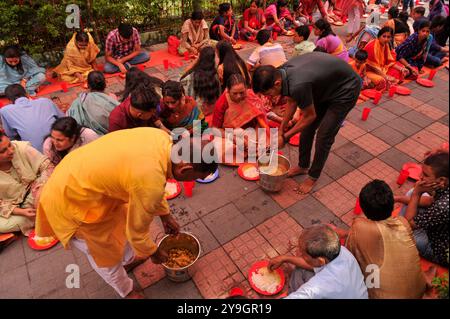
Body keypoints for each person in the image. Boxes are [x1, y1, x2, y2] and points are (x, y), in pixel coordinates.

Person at [35, 128, 218, 298]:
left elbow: (153, 185)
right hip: (70, 202)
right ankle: (126, 291)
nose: (193, 181)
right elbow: (137, 233)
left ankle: (127, 259)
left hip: (84, 181)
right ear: (185, 169)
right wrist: (153, 252)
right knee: (104, 255)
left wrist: (165, 215)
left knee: (120, 225)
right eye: (195, 178)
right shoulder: (149, 179)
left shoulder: (161, 138)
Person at [252, 53, 361, 194]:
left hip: (346, 89)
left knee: (324, 136)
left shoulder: (298, 84)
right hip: (325, 88)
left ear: (277, 83)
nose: (269, 97)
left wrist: (285, 137)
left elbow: (309, 116)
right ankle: (303, 166)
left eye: (268, 93)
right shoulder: (282, 72)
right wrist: (281, 130)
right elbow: (292, 100)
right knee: (307, 130)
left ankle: (313, 176)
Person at [332, 180, 427, 299]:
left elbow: (350, 258)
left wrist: (341, 234)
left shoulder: (359, 226)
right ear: (392, 204)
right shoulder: (403, 222)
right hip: (419, 292)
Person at [268, 225, 368, 299]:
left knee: (299, 272)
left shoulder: (320, 285)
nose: (298, 253)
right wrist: (286, 258)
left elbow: (307, 293)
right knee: (301, 269)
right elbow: (313, 266)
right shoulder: (341, 251)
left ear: (320, 260)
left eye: (303, 254)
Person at [396, 152, 449, 267]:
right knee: (412, 195)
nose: (420, 177)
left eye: (425, 175)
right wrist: (399, 198)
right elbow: (430, 201)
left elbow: (408, 224)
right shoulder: (444, 185)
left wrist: (417, 193)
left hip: (439, 249)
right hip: (441, 228)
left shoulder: (442, 207)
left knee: (402, 233)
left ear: (441, 180)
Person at [0, 131, 53, 236]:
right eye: (3, 151)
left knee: (52, 190)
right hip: (16, 206)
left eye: (9, 145)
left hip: (39, 190)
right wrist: (20, 211)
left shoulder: (22, 148)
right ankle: (40, 215)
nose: (11, 151)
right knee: (3, 225)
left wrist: (40, 188)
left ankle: (40, 214)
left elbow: (48, 166)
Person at [212, 74, 269, 165]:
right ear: (228, 90)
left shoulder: (251, 96)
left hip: (251, 132)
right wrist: (235, 139)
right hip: (230, 133)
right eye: (235, 93)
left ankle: (248, 151)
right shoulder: (222, 102)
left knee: (266, 140)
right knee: (219, 150)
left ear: (246, 88)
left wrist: (255, 141)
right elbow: (214, 129)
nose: (239, 96)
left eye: (242, 92)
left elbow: (260, 121)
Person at [0, 84, 64, 152]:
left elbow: (11, 136)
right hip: (61, 146)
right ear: (27, 94)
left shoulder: (5, 111)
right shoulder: (45, 101)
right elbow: (63, 119)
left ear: (9, 101)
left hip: (37, 155)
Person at [67, 71, 119, 135]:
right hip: (113, 134)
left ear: (88, 85)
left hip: (89, 137)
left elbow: (70, 118)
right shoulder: (112, 97)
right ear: (105, 84)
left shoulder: (79, 101)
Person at [180, 46, 221, 116]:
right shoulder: (215, 76)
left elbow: (181, 79)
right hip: (212, 113)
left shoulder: (190, 77)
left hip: (196, 116)